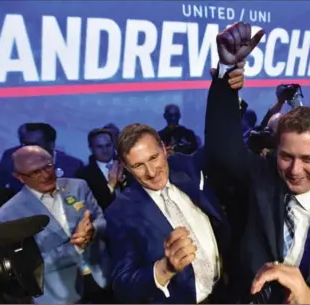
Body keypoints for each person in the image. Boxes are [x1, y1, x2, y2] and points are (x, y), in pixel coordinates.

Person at [205, 22, 310, 303]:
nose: (295, 170)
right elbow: (223, 153)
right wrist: (225, 74)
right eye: (286, 157)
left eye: (308, 159)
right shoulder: (261, 180)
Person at [104, 69, 243, 303]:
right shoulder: (120, 212)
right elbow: (123, 283)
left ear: (164, 148)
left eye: (154, 158)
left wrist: (225, 87)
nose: (151, 171)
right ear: (125, 168)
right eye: (138, 165)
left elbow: (219, 142)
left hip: (228, 292)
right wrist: (164, 269)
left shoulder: (185, 166)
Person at [0, 146, 110, 304]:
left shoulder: (78, 186)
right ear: (19, 177)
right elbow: (28, 266)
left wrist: (92, 230)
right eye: (35, 172)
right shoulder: (7, 216)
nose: (45, 175)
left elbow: (102, 221)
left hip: (103, 277)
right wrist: (75, 246)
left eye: (48, 167)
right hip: (60, 294)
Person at [76, 128, 127, 210]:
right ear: (91, 148)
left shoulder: (127, 167)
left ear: (113, 145)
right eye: (99, 147)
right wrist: (111, 185)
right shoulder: (83, 176)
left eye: (108, 145)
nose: (105, 150)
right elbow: (93, 207)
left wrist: (123, 183)